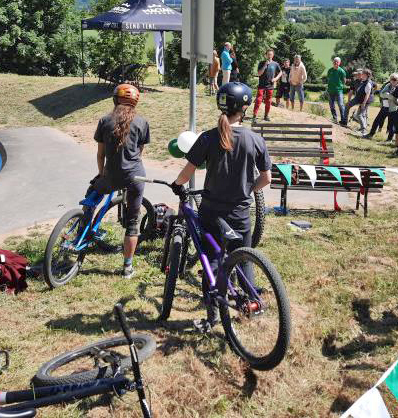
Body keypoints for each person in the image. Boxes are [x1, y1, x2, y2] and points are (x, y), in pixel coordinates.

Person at [173, 81, 272, 332]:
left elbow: (187, 173)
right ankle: (250, 304)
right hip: (240, 212)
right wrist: (248, 189)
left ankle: (212, 315)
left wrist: (177, 184)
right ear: (244, 108)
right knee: (244, 257)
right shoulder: (255, 139)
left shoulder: (208, 136)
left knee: (212, 260)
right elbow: (266, 178)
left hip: (211, 212)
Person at [93, 83, 150, 279]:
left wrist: (102, 175)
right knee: (133, 222)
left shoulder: (104, 120)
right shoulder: (142, 122)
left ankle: (83, 226)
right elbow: (139, 153)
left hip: (111, 176)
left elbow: (100, 155)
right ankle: (127, 267)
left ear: (114, 99)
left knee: (91, 197)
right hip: (135, 176)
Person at [365, 73, 398, 139]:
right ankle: (371, 134)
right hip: (385, 107)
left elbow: (397, 99)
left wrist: (388, 95)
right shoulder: (388, 85)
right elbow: (381, 94)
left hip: (393, 108)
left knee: (392, 124)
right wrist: (390, 96)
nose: (393, 81)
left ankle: (389, 139)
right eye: (392, 79)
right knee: (377, 120)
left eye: (395, 79)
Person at [253, 49, 282, 122]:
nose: (269, 56)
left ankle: (266, 116)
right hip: (261, 85)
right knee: (258, 100)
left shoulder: (275, 64)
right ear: (266, 55)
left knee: (268, 101)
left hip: (270, 85)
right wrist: (265, 65)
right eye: (268, 54)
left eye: (271, 54)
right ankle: (254, 116)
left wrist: (276, 78)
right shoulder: (262, 63)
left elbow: (280, 72)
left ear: (273, 55)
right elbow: (259, 74)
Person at [341, 69, 373, 134]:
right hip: (357, 98)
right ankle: (344, 121)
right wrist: (349, 101)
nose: (357, 75)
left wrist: (370, 95)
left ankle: (364, 128)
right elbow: (350, 91)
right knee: (348, 106)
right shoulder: (355, 81)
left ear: (363, 75)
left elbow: (369, 92)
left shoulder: (368, 82)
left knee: (361, 114)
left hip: (364, 100)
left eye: (359, 74)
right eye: (357, 74)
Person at [326, 57, 347, 123]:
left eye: (337, 61)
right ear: (333, 62)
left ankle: (343, 120)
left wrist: (340, 86)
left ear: (339, 63)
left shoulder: (342, 71)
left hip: (339, 91)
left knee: (340, 104)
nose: (335, 63)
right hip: (330, 90)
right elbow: (329, 79)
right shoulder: (330, 70)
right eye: (334, 61)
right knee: (331, 105)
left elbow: (344, 81)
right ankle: (335, 118)